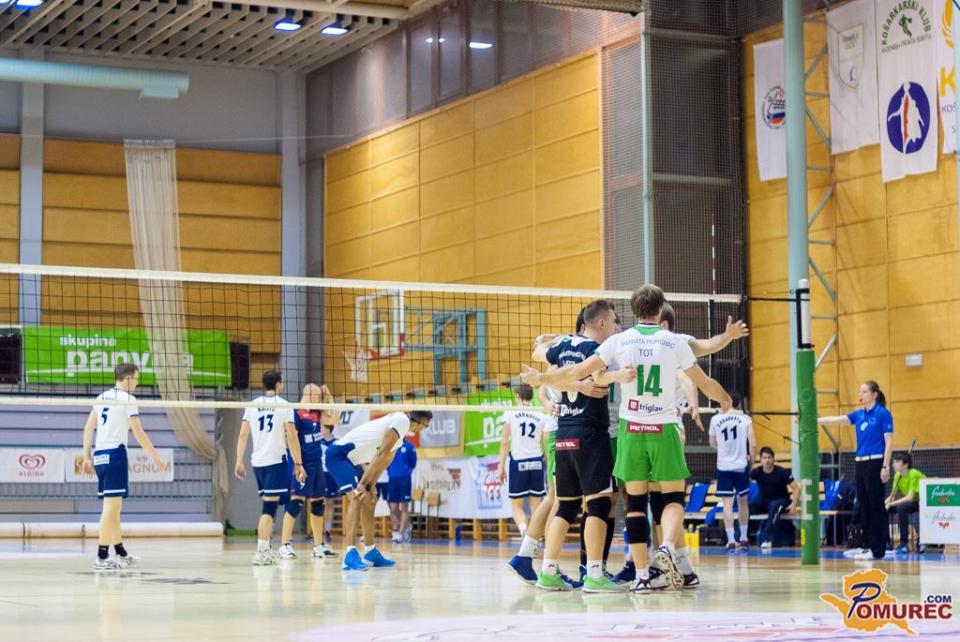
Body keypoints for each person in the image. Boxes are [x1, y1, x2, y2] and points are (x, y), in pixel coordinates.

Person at [524, 284, 732, 594]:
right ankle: (666, 551)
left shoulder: (617, 342)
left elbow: (578, 369)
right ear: (660, 309)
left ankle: (641, 575)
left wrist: (542, 377)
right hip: (660, 428)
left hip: (626, 431)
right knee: (670, 499)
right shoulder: (673, 341)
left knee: (630, 504)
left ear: (634, 310)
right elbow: (700, 375)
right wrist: (724, 397)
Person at [642, 302, 749, 586]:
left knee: (664, 501)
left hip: (659, 430)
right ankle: (682, 568)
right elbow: (707, 348)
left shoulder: (672, 344)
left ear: (663, 324)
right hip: (656, 430)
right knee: (661, 502)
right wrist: (727, 337)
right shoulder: (649, 343)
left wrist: (694, 402)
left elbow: (691, 371)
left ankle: (664, 564)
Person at [523, 299, 623, 593]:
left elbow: (538, 352)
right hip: (590, 433)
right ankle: (594, 574)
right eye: (614, 321)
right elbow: (588, 373)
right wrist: (582, 383)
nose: (616, 327)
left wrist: (550, 341)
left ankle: (548, 572)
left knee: (565, 506)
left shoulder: (564, 344)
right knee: (599, 503)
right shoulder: (600, 350)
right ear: (602, 323)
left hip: (563, 433)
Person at [81, 363, 168, 570]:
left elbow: (88, 428)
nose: (137, 383)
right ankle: (102, 556)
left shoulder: (101, 397)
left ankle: (120, 552)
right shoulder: (128, 399)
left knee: (114, 509)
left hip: (100, 455)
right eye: (136, 379)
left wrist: (86, 457)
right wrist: (157, 459)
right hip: (115, 455)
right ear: (128, 378)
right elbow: (138, 433)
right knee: (110, 509)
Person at [324, 410, 433, 571]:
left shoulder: (401, 436)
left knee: (370, 499)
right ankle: (349, 555)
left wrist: (371, 484)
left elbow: (384, 461)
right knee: (356, 497)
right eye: (425, 426)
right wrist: (363, 484)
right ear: (418, 422)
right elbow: (381, 454)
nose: (423, 429)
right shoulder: (401, 421)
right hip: (338, 456)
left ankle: (370, 553)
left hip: (353, 461)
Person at [819, 381, 894, 561]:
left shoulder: (883, 413)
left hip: (876, 462)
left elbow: (889, 442)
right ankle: (868, 546)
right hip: (860, 464)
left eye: (864, 391)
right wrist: (816, 420)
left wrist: (885, 466)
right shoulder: (859, 414)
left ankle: (879, 549)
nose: (861, 395)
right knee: (864, 506)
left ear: (874, 394)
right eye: (860, 392)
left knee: (876, 506)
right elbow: (837, 419)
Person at [234, 370, 303, 565]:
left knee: (270, 505)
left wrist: (239, 461)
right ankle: (262, 551)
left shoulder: (253, 404)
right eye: (282, 382)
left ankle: (266, 549)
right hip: (275, 461)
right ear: (278, 384)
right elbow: (292, 436)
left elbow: (243, 434)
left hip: (257, 463)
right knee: (269, 508)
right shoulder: (284, 405)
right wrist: (299, 463)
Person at [278, 383, 338, 560]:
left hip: (317, 464)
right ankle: (284, 545)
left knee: (319, 503)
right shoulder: (295, 413)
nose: (320, 400)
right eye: (319, 397)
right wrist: (298, 464)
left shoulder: (316, 412)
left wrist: (329, 398)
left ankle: (318, 546)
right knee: (296, 502)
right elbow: (291, 440)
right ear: (310, 395)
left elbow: (334, 419)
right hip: (301, 464)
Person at [496, 383, 548, 538]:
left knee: (516, 506)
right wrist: (545, 458)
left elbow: (504, 442)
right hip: (537, 462)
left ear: (518, 397)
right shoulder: (540, 414)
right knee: (536, 506)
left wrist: (501, 467)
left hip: (518, 462)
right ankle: (534, 539)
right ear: (531, 396)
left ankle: (524, 530)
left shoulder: (510, 413)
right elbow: (544, 442)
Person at [709, 392, 756, 552]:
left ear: (725, 401)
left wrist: (724, 449)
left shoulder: (715, 419)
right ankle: (743, 538)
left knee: (727, 504)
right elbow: (753, 444)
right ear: (739, 403)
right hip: (741, 465)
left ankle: (730, 540)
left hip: (724, 466)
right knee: (743, 502)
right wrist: (751, 462)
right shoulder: (746, 419)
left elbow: (712, 443)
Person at [749, 447, 799, 549]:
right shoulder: (757, 472)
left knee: (774, 506)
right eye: (764, 458)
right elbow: (743, 480)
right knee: (746, 508)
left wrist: (793, 504)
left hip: (781, 501)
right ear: (761, 460)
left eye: (769, 457)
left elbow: (796, 488)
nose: (767, 460)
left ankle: (767, 539)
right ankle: (739, 539)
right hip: (764, 503)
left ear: (773, 459)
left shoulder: (782, 472)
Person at [886, 452, 925, 554]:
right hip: (910, 503)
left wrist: (890, 504)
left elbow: (910, 497)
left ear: (906, 464)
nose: (893, 464)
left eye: (897, 462)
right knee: (884, 509)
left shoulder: (914, 474)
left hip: (922, 503)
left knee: (902, 507)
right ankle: (886, 542)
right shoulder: (897, 476)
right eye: (893, 462)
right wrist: (883, 504)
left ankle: (904, 543)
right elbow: (892, 496)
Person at [387, 437, 417, 544]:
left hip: (405, 479)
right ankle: (397, 529)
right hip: (392, 478)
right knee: (393, 507)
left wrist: (405, 471)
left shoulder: (409, 446)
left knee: (404, 506)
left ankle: (401, 532)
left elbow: (413, 462)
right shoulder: (390, 446)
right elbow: (386, 462)